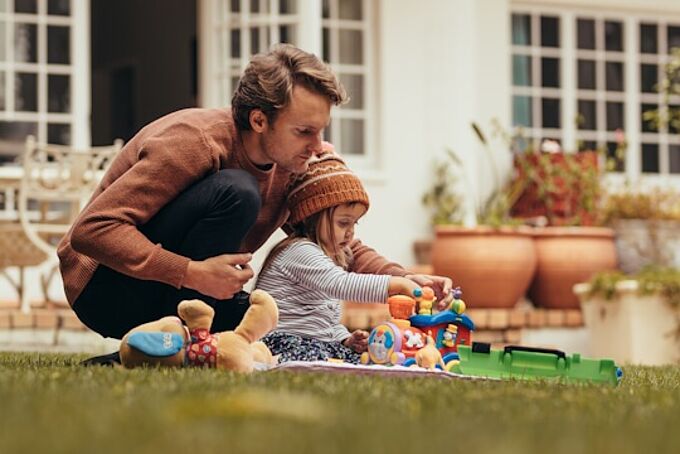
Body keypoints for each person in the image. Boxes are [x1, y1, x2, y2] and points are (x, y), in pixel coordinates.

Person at [58, 43, 453, 351]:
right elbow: (92, 230)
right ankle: (183, 342)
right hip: (105, 290)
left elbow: (331, 233)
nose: (319, 146)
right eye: (304, 132)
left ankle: (178, 347)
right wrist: (192, 273)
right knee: (239, 191)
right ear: (259, 120)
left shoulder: (291, 162)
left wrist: (402, 278)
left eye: (321, 131)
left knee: (279, 328)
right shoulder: (194, 142)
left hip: (187, 292)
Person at [255, 152, 450, 364]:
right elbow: (341, 284)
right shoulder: (300, 251)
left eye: (354, 223)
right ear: (313, 217)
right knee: (317, 361)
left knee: (366, 359)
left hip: (316, 342)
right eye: (343, 223)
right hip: (285, 340)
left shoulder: (332, 255)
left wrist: (345, 338)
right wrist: (397, 284)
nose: (350, 232)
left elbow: (325, 317)